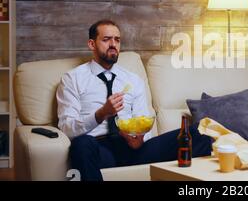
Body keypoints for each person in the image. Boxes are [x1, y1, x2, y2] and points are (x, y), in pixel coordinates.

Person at [57, 20, 212, 181]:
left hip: (134, 148)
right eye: (106, 39)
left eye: (117, 40)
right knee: (81, 145)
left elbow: (142, 119)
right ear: (91, 44)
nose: (113, 44)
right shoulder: (72, 78)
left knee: (200, 132)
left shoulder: (132, 79)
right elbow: (67, 128)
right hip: (98, 148)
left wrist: (139, 139)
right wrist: (101, 114)